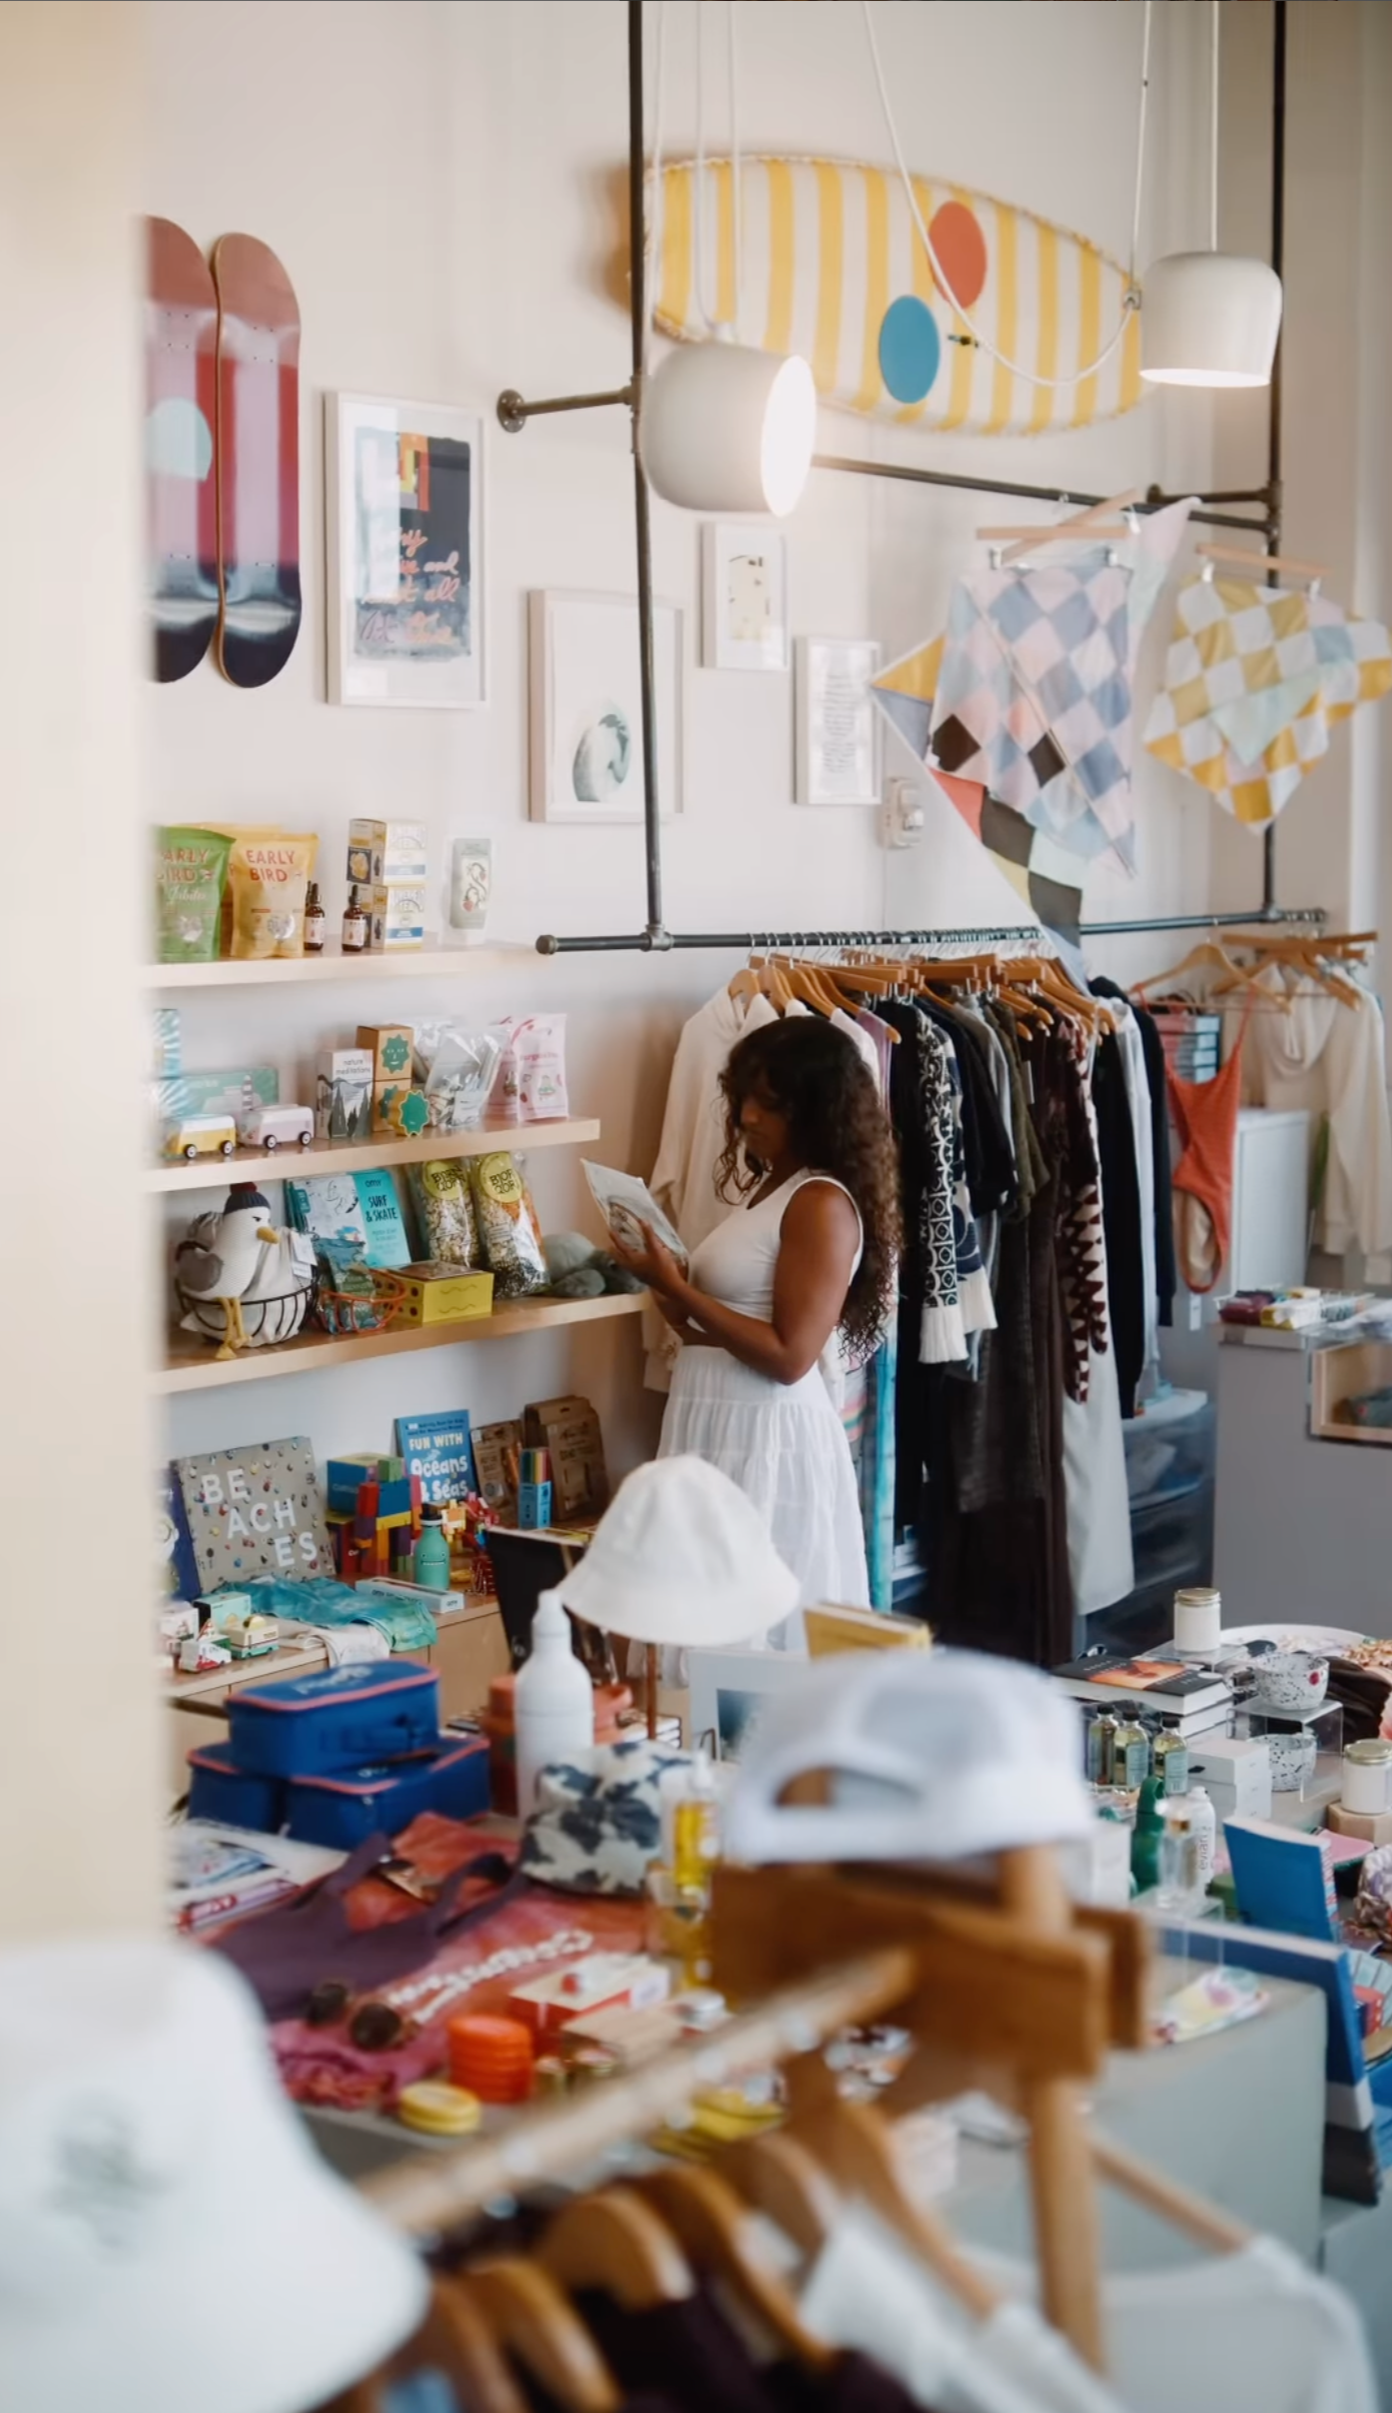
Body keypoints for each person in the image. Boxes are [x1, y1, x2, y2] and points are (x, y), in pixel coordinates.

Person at [610, 1015, 900, 1639]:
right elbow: (708, 1338)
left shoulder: (820, 1202)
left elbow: (790, 1355)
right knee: (702, 1617)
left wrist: (681, 1285)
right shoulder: (772, 1188)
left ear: (813, 1107)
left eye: (766, 1103)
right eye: (742, 1097)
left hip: (765, 1432)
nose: (745, 1116)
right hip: (715, 1414)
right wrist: (664, 1283)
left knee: (754, 1634)